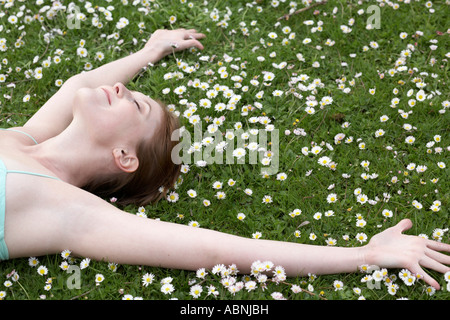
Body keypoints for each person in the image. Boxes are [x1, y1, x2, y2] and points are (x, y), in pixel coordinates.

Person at [1, 28, 449, 291]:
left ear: (123, 157)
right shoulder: (25, 140)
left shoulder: (66, 210)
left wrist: (364, 254)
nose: (119, 89)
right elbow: (79, 80)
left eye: (134, 105)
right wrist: (149, 51)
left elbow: (212, 249)